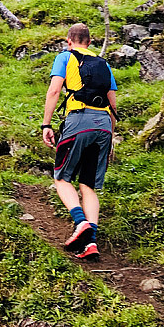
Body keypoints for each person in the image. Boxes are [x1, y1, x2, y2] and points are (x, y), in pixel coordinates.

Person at [41, 23, 117, 260]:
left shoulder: (65, 57)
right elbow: (113, 105)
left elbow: (54, 91)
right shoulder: (104, 64)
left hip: (78, 122)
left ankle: (80, 222)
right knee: (88, 185)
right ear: (90, 42)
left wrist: (46, 124)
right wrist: (111, 137)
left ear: (69, 41)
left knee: (62, 178)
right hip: (103, 125)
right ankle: (90, 243)